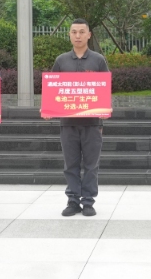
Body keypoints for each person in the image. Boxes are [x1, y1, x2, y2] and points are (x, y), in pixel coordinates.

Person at [51, 18, 110, 217]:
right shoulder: (61, 61)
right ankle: (73, 200)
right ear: (69, 34)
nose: (78, 36)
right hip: (68, 124)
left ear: (89, 35)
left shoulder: (98, 60)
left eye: (82, 32)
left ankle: (88, 202)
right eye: (74, 32)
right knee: (70, 164)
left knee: (91, 165)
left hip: (92, 123)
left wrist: (105, 109)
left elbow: (105, 89)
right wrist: (49, 109)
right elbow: (53, 90)